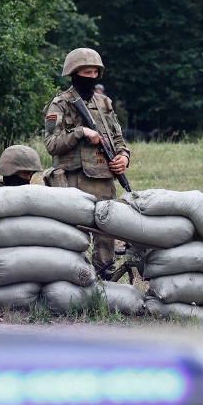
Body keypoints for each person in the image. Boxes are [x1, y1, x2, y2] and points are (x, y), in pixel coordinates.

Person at [42, 48, 130, 279]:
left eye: (95, 72)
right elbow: (51, 144)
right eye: (85, 72)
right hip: (72, 181)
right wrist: (81, 132)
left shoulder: (105, 103)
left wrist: (124, 158)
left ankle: (104, 277)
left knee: (106, 232)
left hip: (103, 179)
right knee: (72, 235)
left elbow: (118, 139)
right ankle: (72, 278)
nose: (91, 76)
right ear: (73, 73)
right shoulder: (59, 105)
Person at [0, 144, 43, 219]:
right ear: (10, 172)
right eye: (26, 173)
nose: (29, 178)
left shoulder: (31, 195)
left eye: (32, 174)